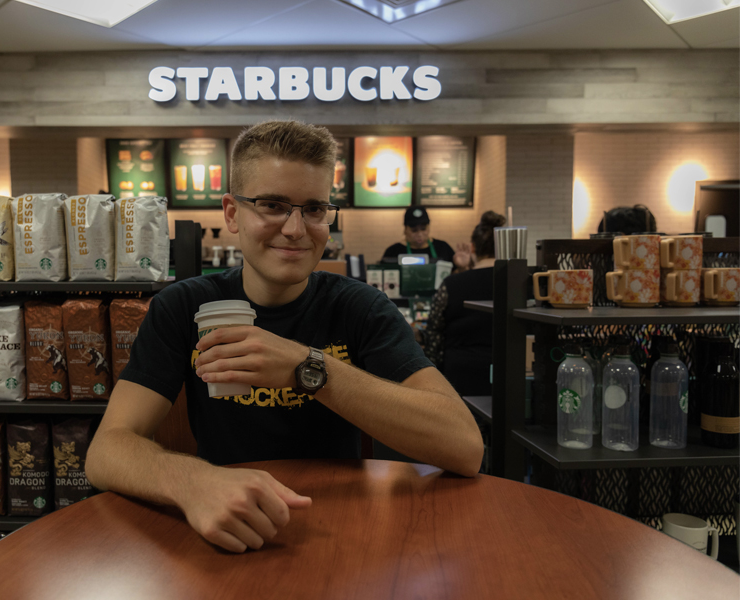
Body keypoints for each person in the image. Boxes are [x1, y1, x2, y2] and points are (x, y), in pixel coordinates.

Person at [85, 120, 484, 554]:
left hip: (344, 530)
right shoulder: (183, 306)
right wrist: (194, 482)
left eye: (314, 209)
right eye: (273, 205)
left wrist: (307, 368)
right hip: (227, 526)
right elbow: (107, 449)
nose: (296, 229)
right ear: (233, 214)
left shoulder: (361, 307)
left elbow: (464, 448)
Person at [424, 210, 506, 396]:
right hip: (509, 374)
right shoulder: (519, 282)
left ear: (473, 248)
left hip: (459, 377)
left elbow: (434, 334)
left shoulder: (452, 284)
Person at [381, 206, 456, 263]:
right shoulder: (393, 251)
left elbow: (455, 275)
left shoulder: (442, 248)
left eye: (423, 229)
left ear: (429, 228)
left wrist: (462, 267)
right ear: (405, 230)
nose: (420, 234)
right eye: (414, 231)